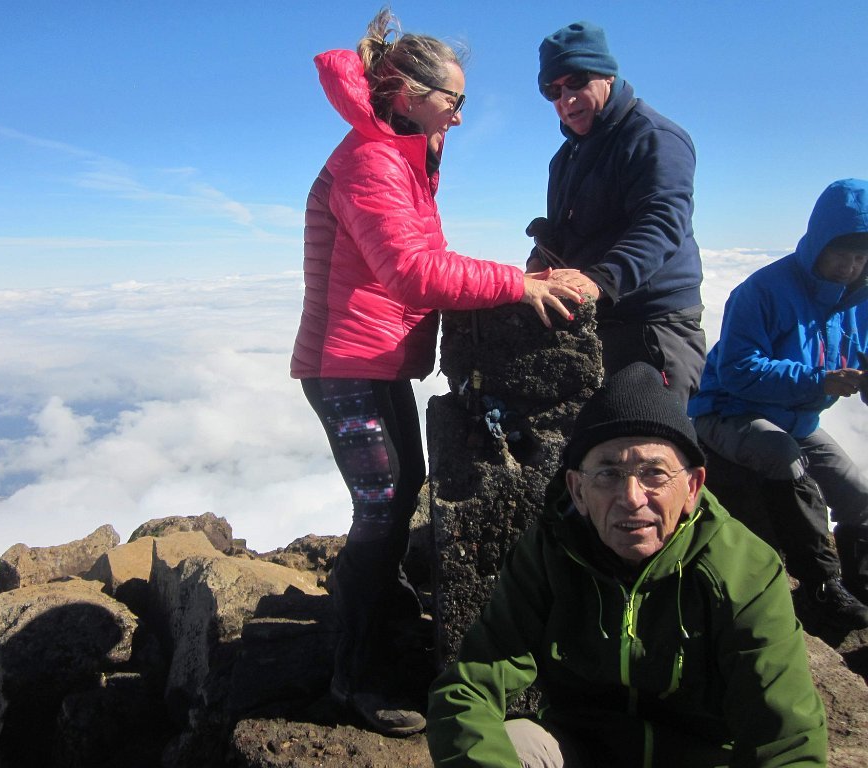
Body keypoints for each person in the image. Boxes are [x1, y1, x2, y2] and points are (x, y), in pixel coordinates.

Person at [290, 9, 584, 737]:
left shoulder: (399, 154)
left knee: (400, 492)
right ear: (409, 92)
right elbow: (410, 272)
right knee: (383, 507)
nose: (458, 114)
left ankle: (378, 614)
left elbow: (420, 260)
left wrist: (515, 281)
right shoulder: (372, 160)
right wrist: (517, 287)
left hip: (370, 359)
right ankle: (353, 676)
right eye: (453, 100)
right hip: (345, 365)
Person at [427, 362, 827, 767]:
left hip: (700, 758)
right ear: (577, 490)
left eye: (654, 473)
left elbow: (787, 740)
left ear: (692, 488)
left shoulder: (744, 569)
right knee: (513, 745)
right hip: (581, 749)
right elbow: (469, 689)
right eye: (608, 473)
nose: (632, 497)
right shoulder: (551, 552)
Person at [689, 178, 868, 631]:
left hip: (797, 418)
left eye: (860, 256)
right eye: (841, 253)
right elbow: (737, 370)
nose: (850, 265)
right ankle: (821, 586)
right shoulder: (762, 291)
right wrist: (820, 381)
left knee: (858, 493)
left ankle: (861, 583)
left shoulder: (860, 302)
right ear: (819, 242)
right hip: (726, 411)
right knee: (783, 459)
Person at [527, 21, 706, 406]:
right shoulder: (566, 158)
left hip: (654, 326)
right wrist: (540, 260)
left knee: (648, 436)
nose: (566, 99)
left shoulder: (652, 137)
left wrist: (600, 280)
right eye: (553, 91)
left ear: (607, 74)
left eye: (576, 81)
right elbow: (567, 229)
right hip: (601, 319)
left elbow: (661, 223)